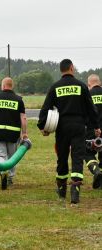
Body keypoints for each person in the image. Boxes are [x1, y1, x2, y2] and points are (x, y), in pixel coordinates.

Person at [37, 59, 101, 204]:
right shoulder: (82, 86)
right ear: (71, 68)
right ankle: (75, 192)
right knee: (77, 157)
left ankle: (61, 189)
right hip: (79, 126)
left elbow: (45, 108)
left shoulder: (55, 87)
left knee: (62, 156)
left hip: (62, 126)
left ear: (61, 70)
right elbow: (92, 109)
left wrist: (42, 127)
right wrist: (96, 127)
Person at [0, 77, 28, 189]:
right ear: (12, 86)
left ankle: (2, 172)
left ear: (3, 86)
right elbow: (23, 118)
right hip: (13, 133)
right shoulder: (19, 99)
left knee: (0, 155)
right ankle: (10, 177)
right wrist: (24, 133)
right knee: (12, 156)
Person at [85, 74, 102, 189]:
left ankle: (96, 171)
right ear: (100, 83)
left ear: (89, 84)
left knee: (87, 153)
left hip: (91, 130)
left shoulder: (87, 95)